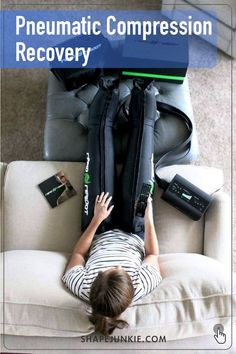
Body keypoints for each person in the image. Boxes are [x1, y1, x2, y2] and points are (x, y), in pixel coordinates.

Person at [62, 77, 162, 336]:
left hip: (100, 227)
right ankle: (143, 89)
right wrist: (148, 217)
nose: (116, 264)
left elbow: (77, 255)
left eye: (109, 268)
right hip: (133, 228)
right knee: (141, 161)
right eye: (121, 269)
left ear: (95, 282)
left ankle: (108, 87)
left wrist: (96, 220)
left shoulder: (81, 285)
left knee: (98, 158)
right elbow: (152, 255)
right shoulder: (141, 285)